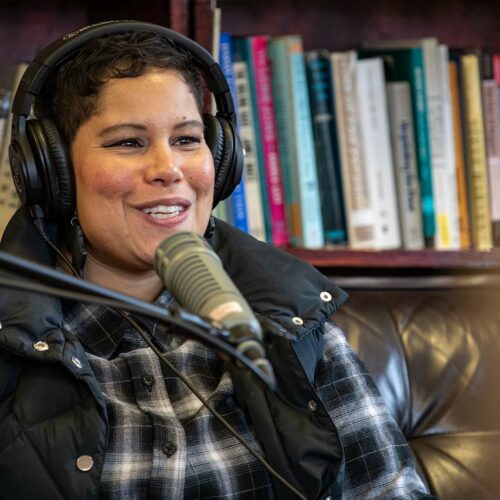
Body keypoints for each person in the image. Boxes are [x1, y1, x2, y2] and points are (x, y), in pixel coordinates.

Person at [0, 21, 432, 499]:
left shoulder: (294, 323)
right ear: (49, 170)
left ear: (222, 158)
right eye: (128, 142)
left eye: (187, 139)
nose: (169, 169)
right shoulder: (13, 340)